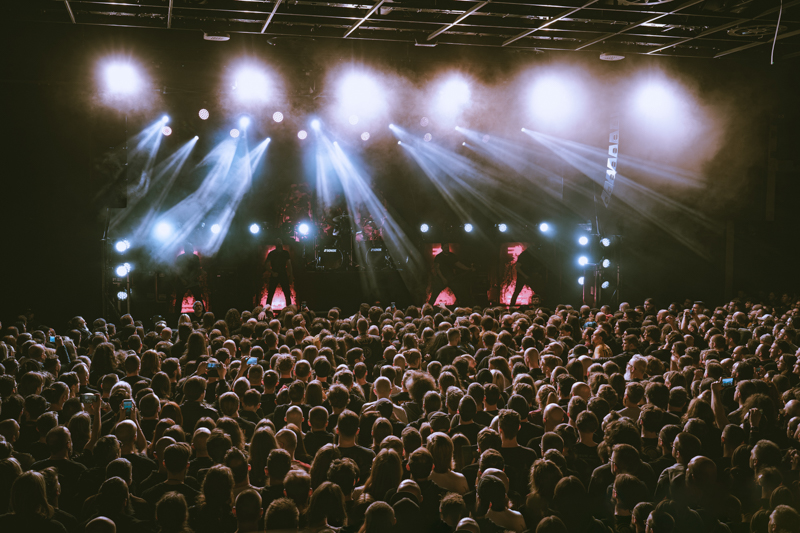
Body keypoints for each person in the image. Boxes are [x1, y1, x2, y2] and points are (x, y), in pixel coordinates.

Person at [263, 239, 293, 307]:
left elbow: (289, 265)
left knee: (286, 294)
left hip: (280, 274)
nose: (279, 243)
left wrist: (291, 275)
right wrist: (272, 272)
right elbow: (266, 265)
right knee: (271, 294)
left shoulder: (284, 253)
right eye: (278, 241)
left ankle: (267, 311)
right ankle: (289, 310)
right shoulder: (273, 253)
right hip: (278, 274)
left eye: (280, 241)